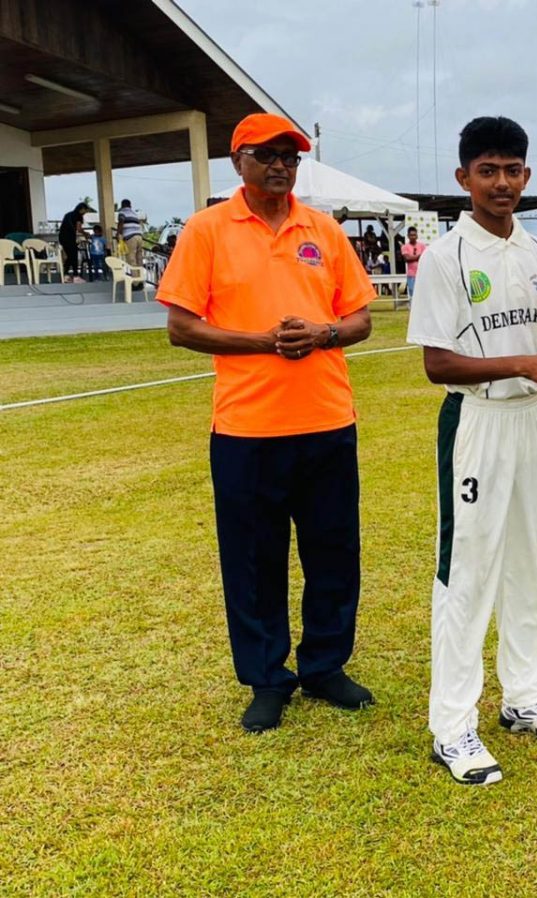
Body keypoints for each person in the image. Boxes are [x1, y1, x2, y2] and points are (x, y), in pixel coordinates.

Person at [156, 112, 376, 734]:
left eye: (290, 156)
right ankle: (266, 678)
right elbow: (181, 327)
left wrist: (324, 332)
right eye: (267, 154)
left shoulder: (324, 231)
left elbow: (359, 319)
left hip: (327, 420)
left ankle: (326, 666)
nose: (280, 165)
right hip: (246, 429)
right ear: (238, 162)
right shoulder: (206, 231)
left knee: (334, 551)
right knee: (254, 561)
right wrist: (263, 342)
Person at [407, 116, 537, 787]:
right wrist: (523, 363)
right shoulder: (447, 258)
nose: (502, 183)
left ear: (527, 177)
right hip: (476, 423)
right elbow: (438, 364)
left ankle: (525, 696)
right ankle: (453, 727)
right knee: (468, 569)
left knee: (528, 558)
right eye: (488, 170)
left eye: (513, 170)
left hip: (530, 420)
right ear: (463, 179)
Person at [57, 201, 92, 279]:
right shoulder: (78, 216)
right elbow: (79, 228)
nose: (85, 213)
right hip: (69, 237)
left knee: (70, 255)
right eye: (85, 211)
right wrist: (85, 234)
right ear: (82, 209)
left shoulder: (68, 214)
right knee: (73, 255)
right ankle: (75, 275)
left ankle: (66, 273)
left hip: (62, 237)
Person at [400, 225, 425, 301]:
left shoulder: (422, 246)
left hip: (421, 274)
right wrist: (419, 256)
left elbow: (424, 258)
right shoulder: (405, 247)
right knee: (413, 295)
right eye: (411, 235)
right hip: (411, 275)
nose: (413, 237)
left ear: (417, 235)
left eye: (414, 235)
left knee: (422, 295)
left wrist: (413, 258)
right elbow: (407, 258)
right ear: (408, 236)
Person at [118, 199, 144, 266]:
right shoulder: (134, 214)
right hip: (139, 237)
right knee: (139, 258)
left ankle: (134, 276)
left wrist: (119, 234)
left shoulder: (122, 212)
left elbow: (121, 222)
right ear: (130, 205)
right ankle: (140, 275)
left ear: (122, 205)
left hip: (130, 237)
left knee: (131, 259)